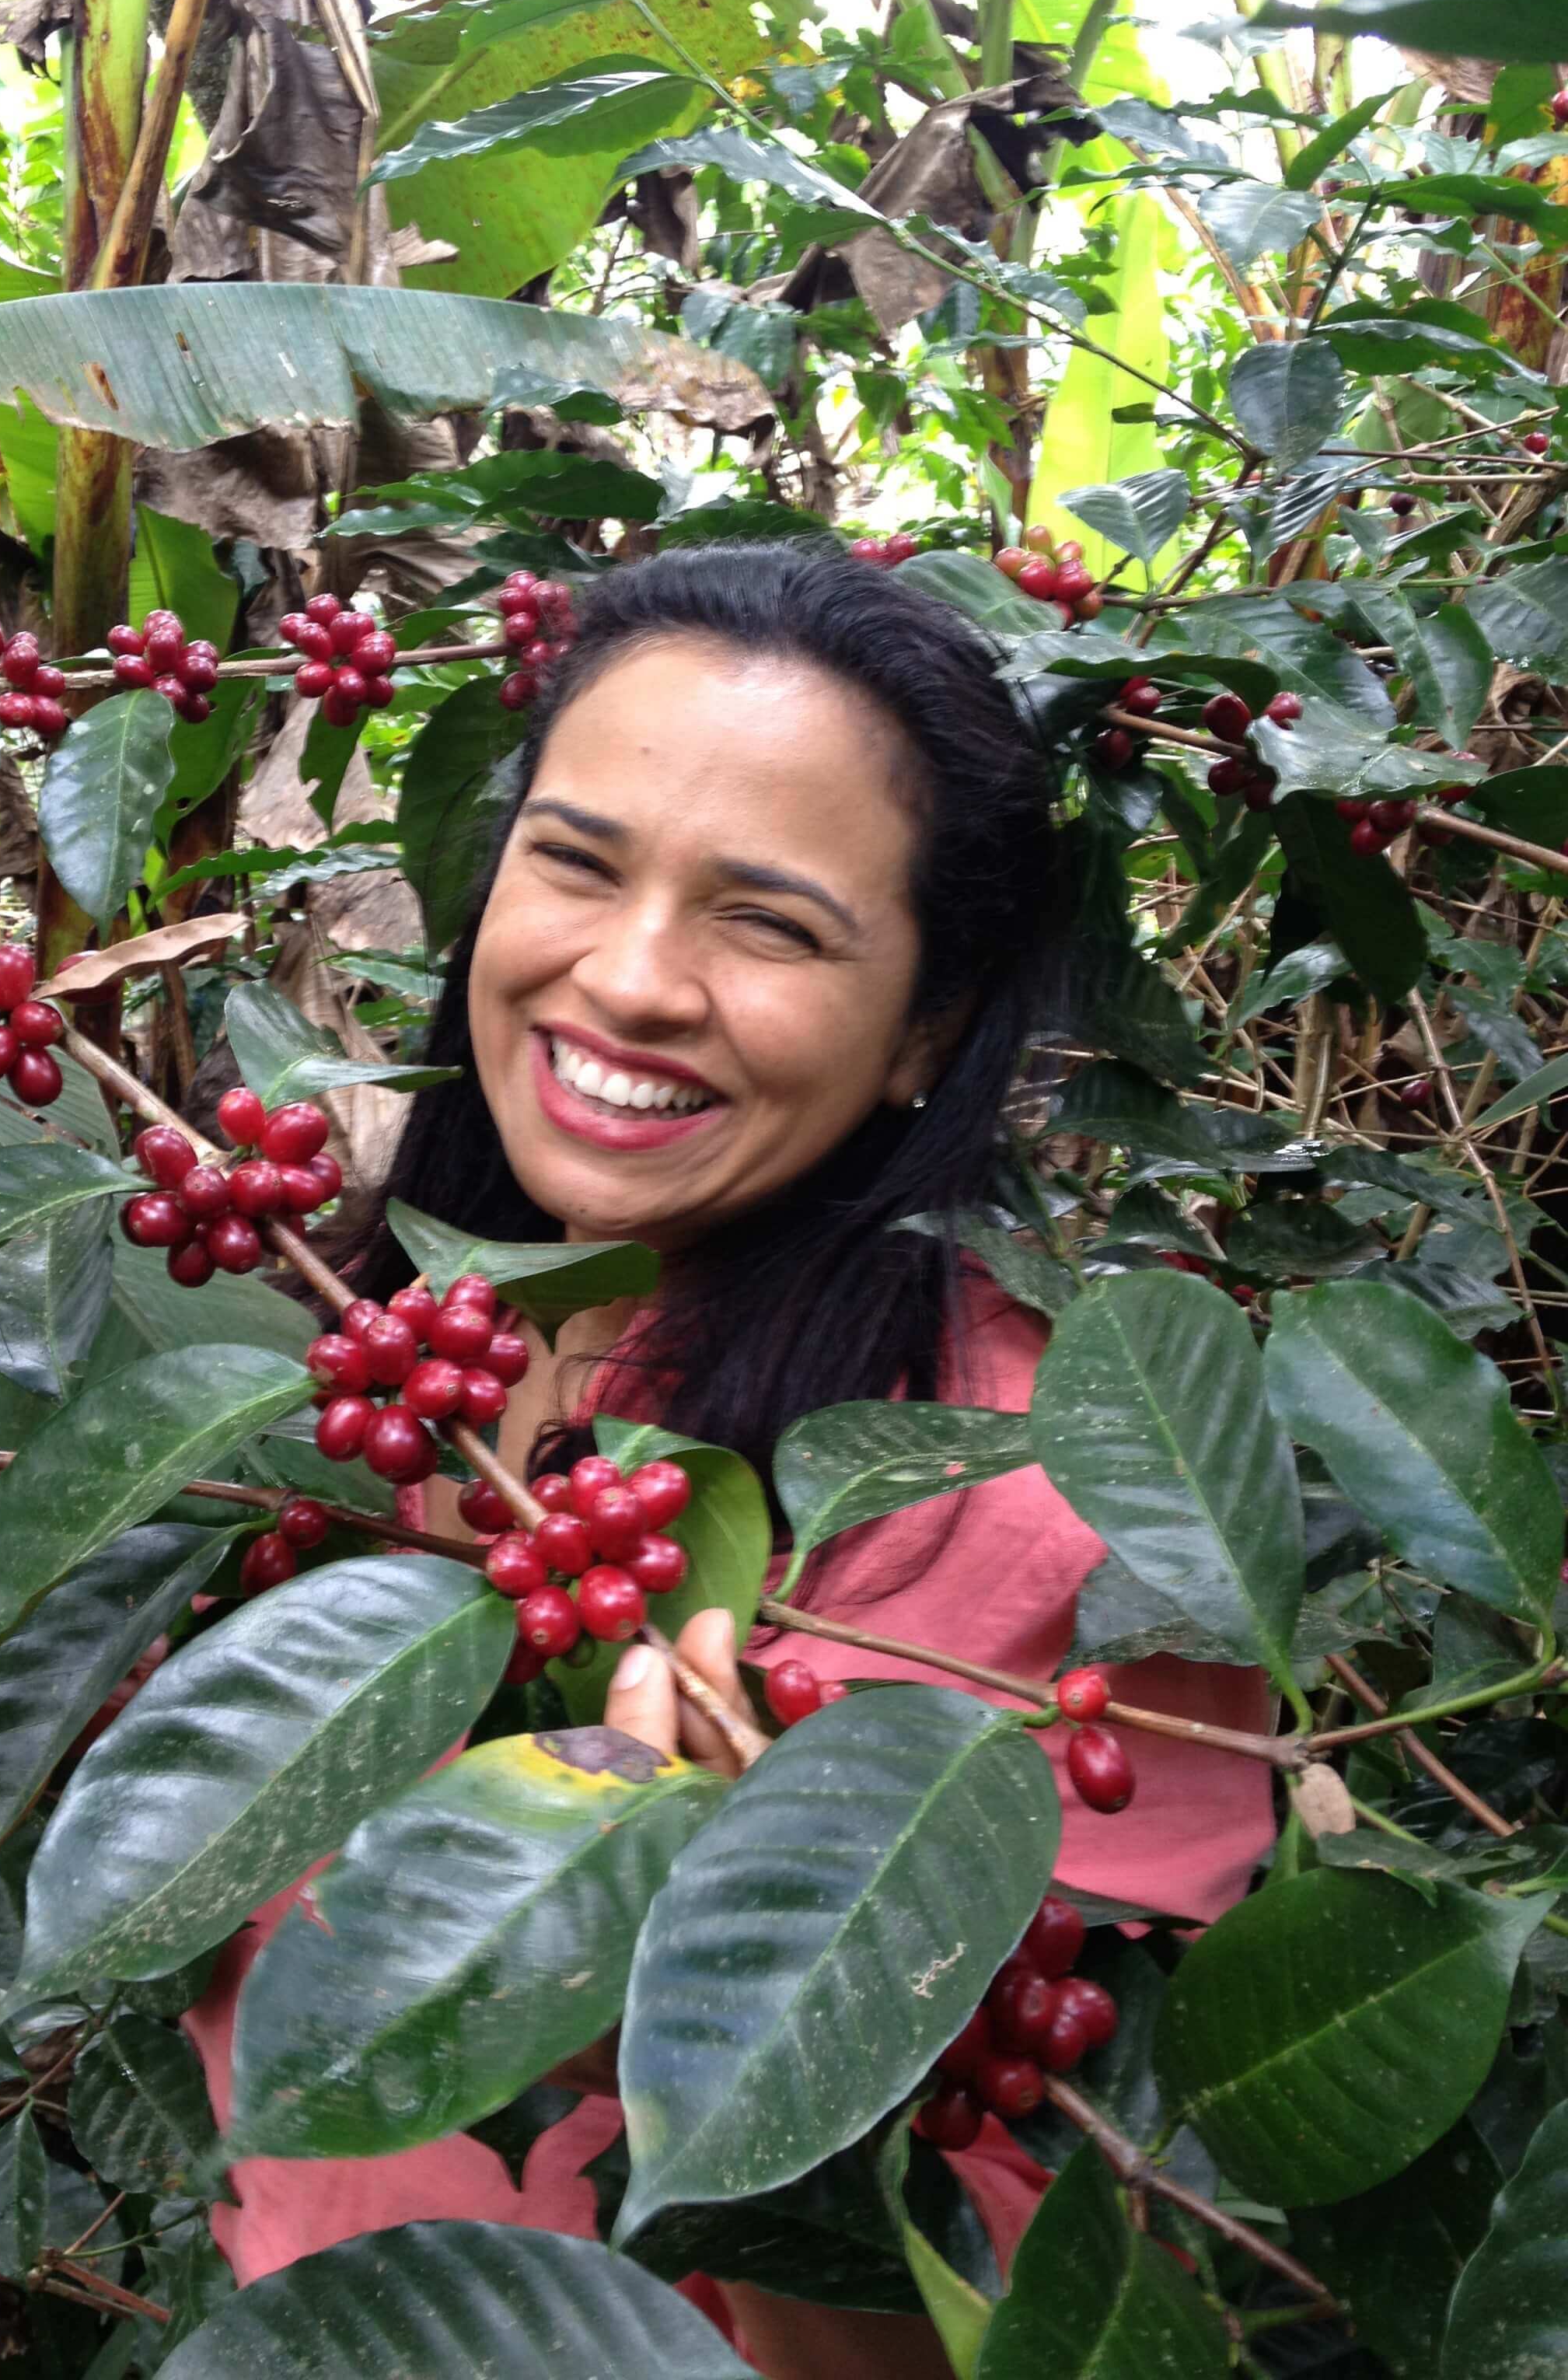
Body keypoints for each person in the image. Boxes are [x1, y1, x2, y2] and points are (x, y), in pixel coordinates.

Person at [182, 545, 1276, 2377]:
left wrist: (748, 2029)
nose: (628, 979)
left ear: (928, 1026)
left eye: (769, 925)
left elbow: (1041, 2319)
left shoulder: (1062, 1532)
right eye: (575, 862)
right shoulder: (388, 1350)